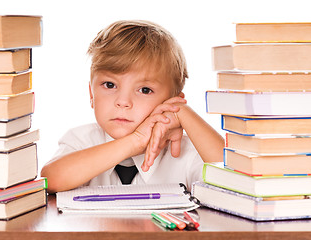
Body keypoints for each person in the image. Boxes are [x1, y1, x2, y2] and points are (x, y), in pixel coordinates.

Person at [41, 20, 224, 193]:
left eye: (144, 90)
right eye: (110, 85)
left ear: (172, 101)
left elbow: (236, 178)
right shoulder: (81, 140)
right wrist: (134, 142)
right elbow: (51, 181)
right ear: (91, 94)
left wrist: (183, 113)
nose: (123, 102)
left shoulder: (188, 151)